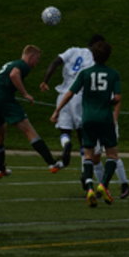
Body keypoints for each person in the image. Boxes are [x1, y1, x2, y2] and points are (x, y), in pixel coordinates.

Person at [50, 40, 121, 208]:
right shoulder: (113, 74)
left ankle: (89, 188)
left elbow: (69, 93)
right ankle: (103, 185)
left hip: (87, 118)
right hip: (105, 117)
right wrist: (108, 103)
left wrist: (57, 110)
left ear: (93, 56)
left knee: (87, 154)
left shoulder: (85, 73)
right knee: (112, 154)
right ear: (108, 56)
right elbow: (117, 98)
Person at [0, 45, 63, 177]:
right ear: (31, 56)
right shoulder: (22, 65)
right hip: (5, 100)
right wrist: (25, 94)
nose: (37, 63)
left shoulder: (10, 64)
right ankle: (52, 163)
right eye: (37, 59)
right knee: (29, 131)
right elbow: (14, 74)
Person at [39, 34, 105, 169]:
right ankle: (85, 171)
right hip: (79, 96)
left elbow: (55, 62)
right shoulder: (95, 58)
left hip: (63, 95)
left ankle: (66, 145)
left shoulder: (72, 50)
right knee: (82, 135)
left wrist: (45, 81)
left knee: (64, 130)